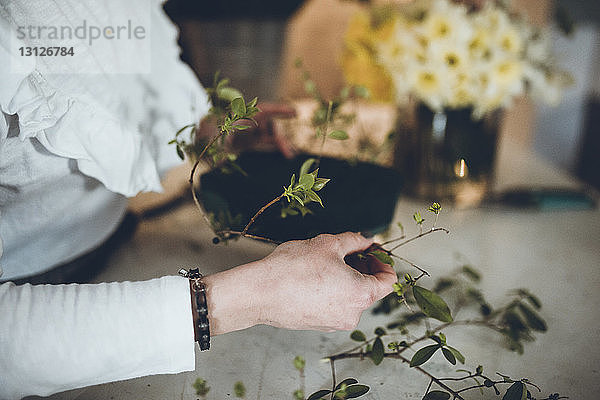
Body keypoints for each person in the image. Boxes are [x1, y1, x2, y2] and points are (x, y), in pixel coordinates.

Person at [0, 1, 396, 399]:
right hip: (65, 322)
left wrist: (207, 133)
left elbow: (108, 85)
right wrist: (247, 298)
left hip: (124, 248)